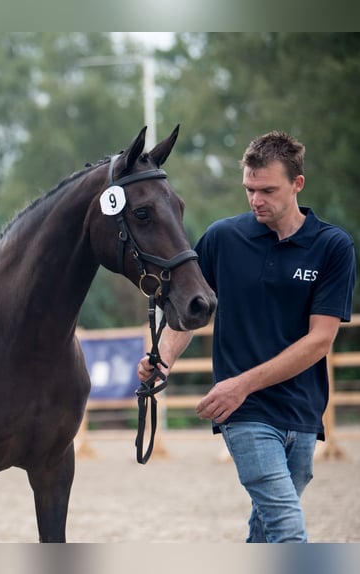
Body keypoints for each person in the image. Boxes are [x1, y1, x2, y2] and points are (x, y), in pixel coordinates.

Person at [137, 130, 356, 543]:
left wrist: (242, 384)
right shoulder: (223, 239)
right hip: (243, 415)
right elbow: (189, 311)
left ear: (297, 184)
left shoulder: (332, 248)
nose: (256, 200)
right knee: (288, 528)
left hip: (303, 412)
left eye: (267, 190)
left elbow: (319, 341)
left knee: (267, 525)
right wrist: (162, 359)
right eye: (249, 189)